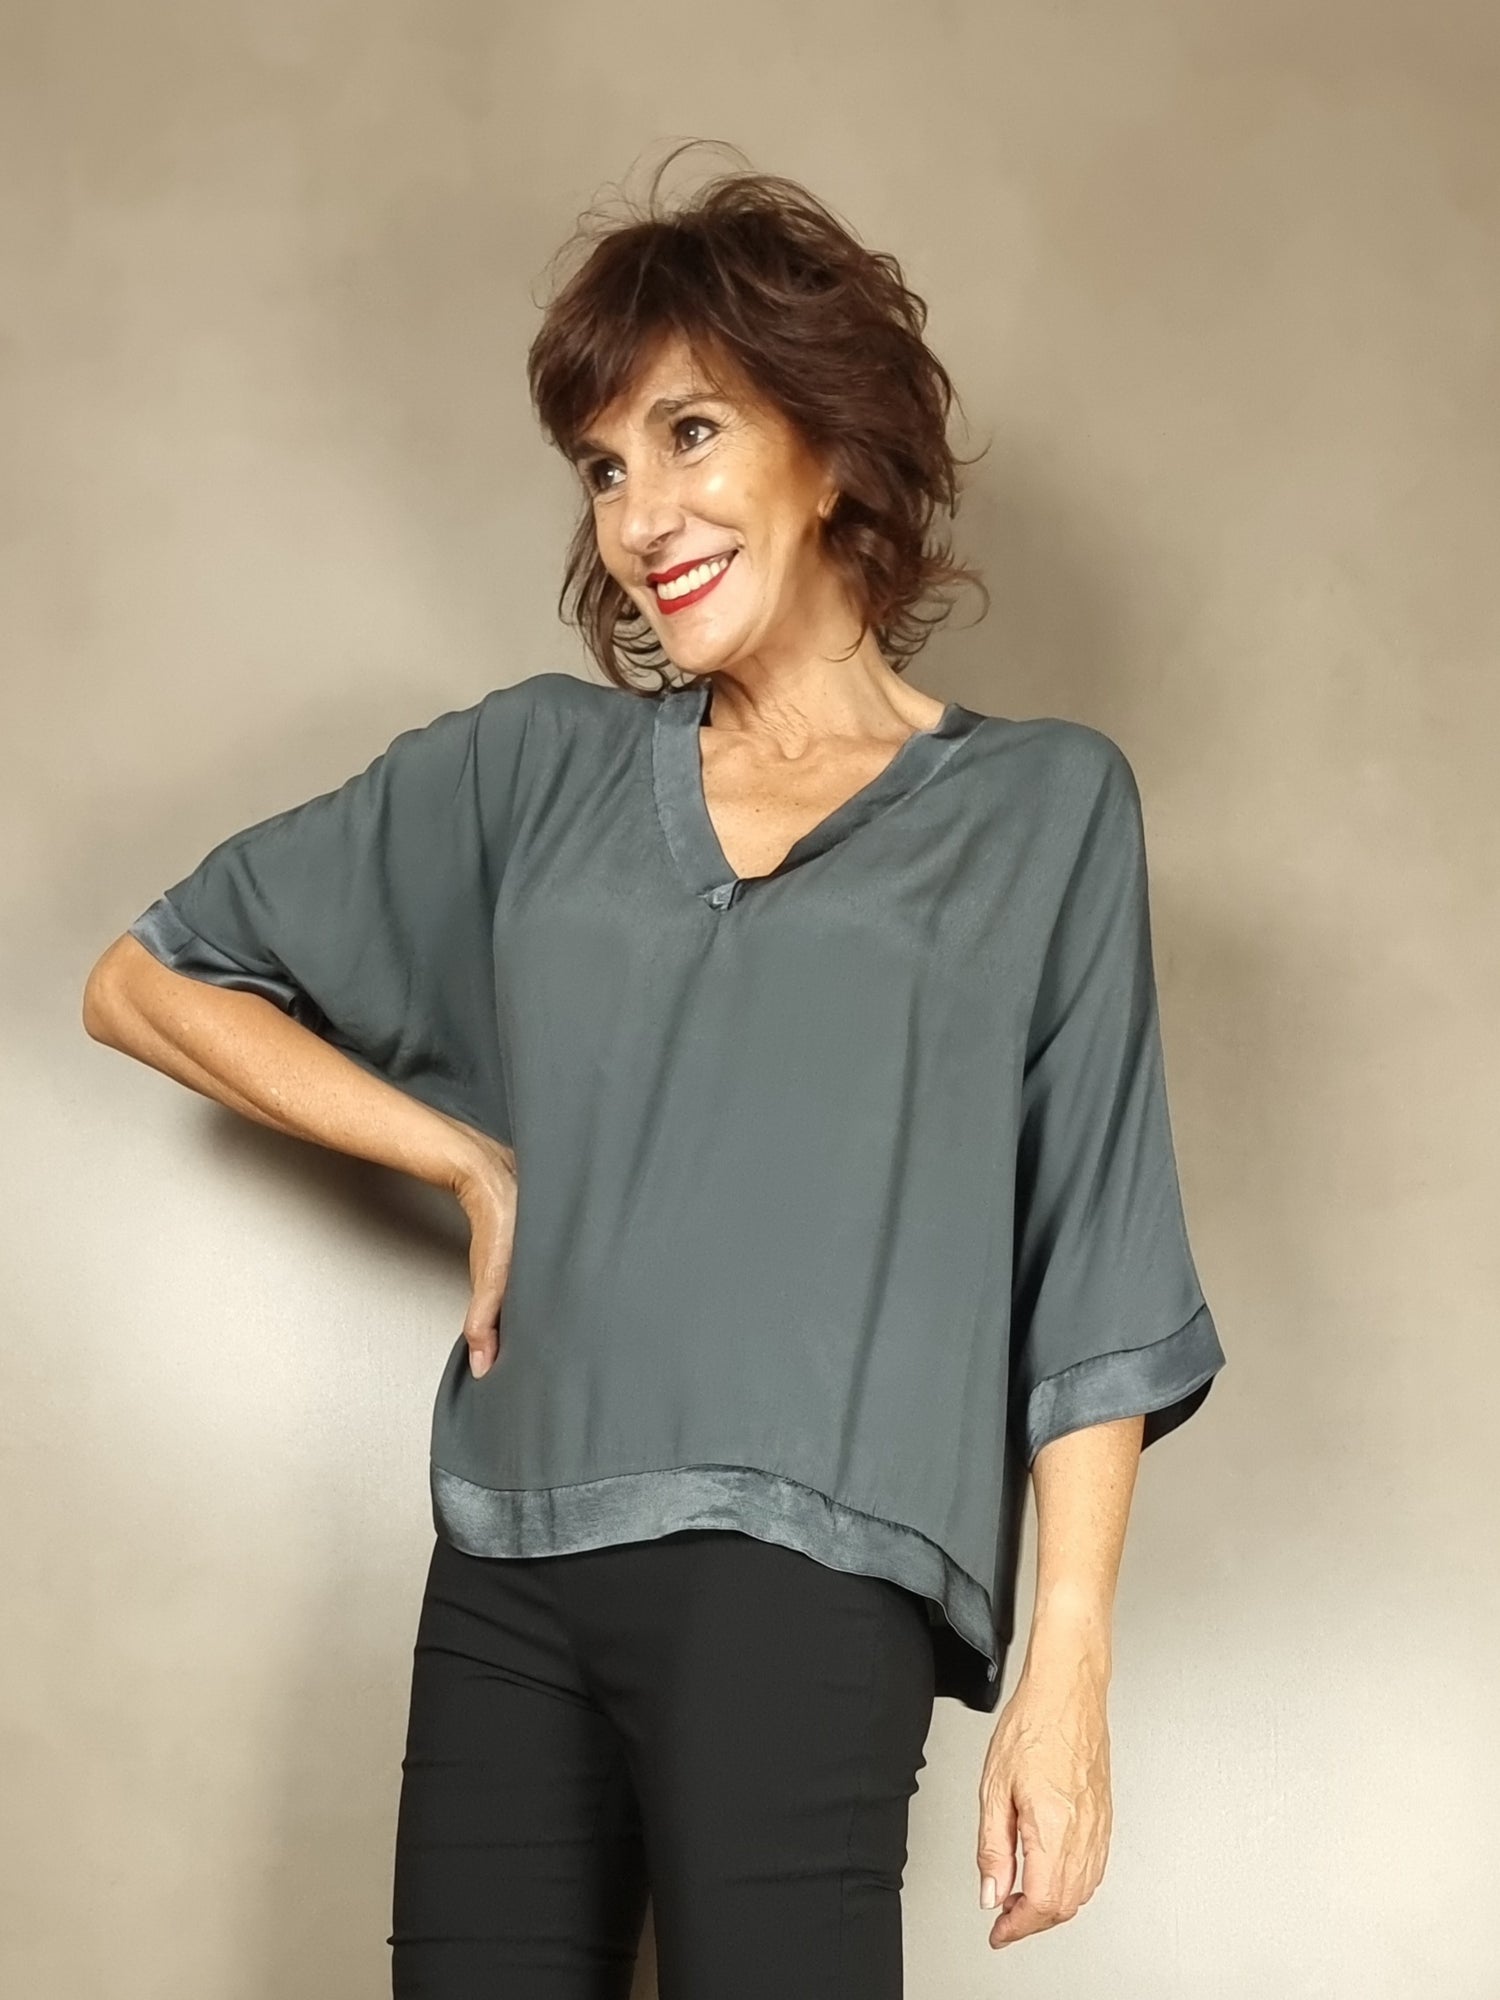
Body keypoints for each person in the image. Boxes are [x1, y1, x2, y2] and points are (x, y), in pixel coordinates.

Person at [82, 148, 1225, 1999]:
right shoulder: (535, 771)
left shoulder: (1044, 809)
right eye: (604, 468)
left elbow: (1091, 1255)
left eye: (690, 434)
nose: (639, 516)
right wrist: (468, 1163)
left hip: (812, 1588)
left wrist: (1068, 1670)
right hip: (507, 1565)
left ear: (830, 448)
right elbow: (146, 982)